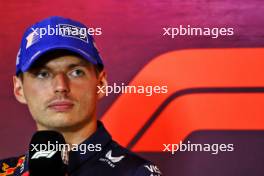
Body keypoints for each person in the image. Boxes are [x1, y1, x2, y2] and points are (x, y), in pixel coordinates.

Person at [0, 16, 162, 176]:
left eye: (76, 72)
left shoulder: (137, 173)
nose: (61, 87)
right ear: (19, 88)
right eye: (43, 74)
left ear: (101, 84)